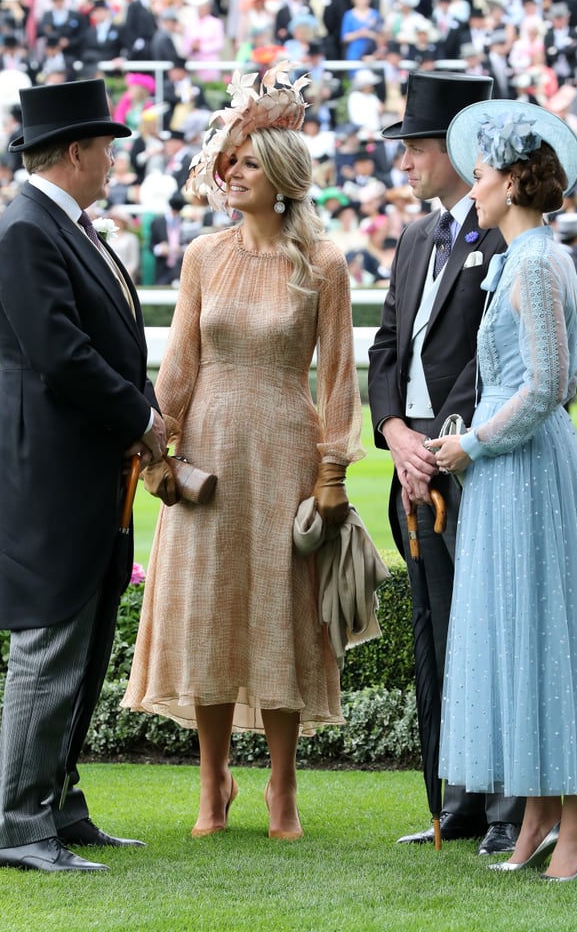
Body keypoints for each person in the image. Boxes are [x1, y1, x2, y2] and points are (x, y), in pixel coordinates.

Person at [122, 64, 364, 840]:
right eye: (228, 160)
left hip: (286, 449)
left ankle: (283, 791)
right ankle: (211, 784)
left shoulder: (324, 264)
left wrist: (332, 470)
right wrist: (159, 452)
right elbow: (178, 364)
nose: (231, 172)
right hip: (209, 452)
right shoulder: (200, 255)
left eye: (248, 162)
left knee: (283, 614)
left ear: (284, 177)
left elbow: (336, 379)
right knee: (208, 611)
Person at [431, 100, 577, 879]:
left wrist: (469, 444)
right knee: (516, 634)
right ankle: (540, 815)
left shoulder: (541, 262)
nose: (470, 188)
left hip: (526, 470)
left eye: (478, 176)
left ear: (512, 182)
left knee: (542, 633)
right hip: (504, 471)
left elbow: (546, 385)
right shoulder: (517, 259)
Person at [0, 78, 168, 873]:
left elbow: (107, 344)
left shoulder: (63, 226)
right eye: (108, 148)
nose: (114, 160)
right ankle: (21, 827)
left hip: (89, 475)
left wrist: (141, 414)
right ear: (79, 151)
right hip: (54, 477)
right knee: (50, 651)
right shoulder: (28, 229)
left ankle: (58, 806)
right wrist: (144, 419)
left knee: (81, 652)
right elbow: (63, 356)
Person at [367, 71, 524, 855]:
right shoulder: (417, 237)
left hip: (468, 459)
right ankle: (452, 802)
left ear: (457, 151)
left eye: (416, 148)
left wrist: (438, 445)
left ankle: (503, 811)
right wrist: (394, 430)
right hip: (413, 460)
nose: (405, 162)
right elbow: (386, 346)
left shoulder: (502, 233)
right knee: (430, 634)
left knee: (480, 630)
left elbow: (489, 361)